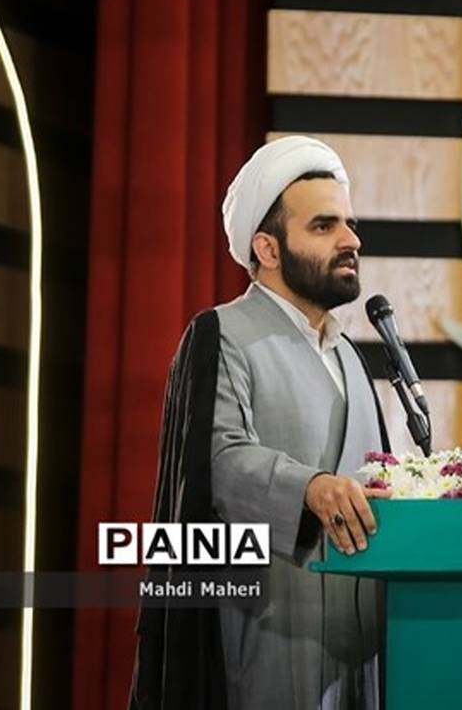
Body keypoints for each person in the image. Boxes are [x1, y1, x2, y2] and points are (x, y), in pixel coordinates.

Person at [130, 136, 391, 710]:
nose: (351, 240)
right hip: (266, 632)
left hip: (358, 648)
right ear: (267, 248)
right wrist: (309, 488)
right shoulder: (222, 334)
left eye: (349, 223)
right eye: (324, 226)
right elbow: (217, 460)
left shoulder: (353, 357)